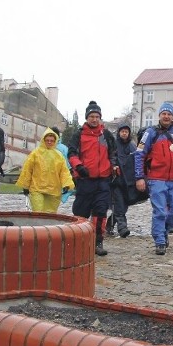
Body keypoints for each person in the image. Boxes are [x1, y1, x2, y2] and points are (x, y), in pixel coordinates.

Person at [135, 102, 173, 255]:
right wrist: (139, 177)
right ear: (159, 115)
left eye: (169, 114)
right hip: (156, 179)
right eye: (164, 113)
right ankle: (160, 241)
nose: (166, 116)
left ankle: (164, 230)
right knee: (160, 211)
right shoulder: (150, 133)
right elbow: (139, 154)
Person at [67, 101, 118, 256]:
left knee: (100, 212)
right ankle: (77, 241)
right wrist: (79, 166)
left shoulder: (107, 135)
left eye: (97, 116)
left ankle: (97, 242)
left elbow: (113, 154)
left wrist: (114, 167)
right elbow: (72, 153)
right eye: (91, 116)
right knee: (80, 212)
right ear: (87, 118)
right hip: (85, 179)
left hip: (103, 180)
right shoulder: (79, 134)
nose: (94, 119)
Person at [16, 128, 74, 213]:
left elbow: (64, 172)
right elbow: (27, 170)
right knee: (38, 212)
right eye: (47, 140)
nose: (49, 142)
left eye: (52, 140)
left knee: (50, 215)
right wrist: (25, 186)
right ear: (43, 140)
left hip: (53, 190)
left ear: (55, 141)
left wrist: (66, 184)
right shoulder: (35, 154)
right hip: (37, 188)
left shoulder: (59, 156)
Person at [107, 123, 145, 238]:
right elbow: (110, 157)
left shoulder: (132, 146)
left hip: (128, 180)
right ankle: (122, 228)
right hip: (116, 179)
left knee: (123, 205)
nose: (124, 133)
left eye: (126, 132)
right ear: (119, 132)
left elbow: (136, 160)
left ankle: (109, 225)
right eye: (122, 131)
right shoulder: (114, 145)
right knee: (119, 204)